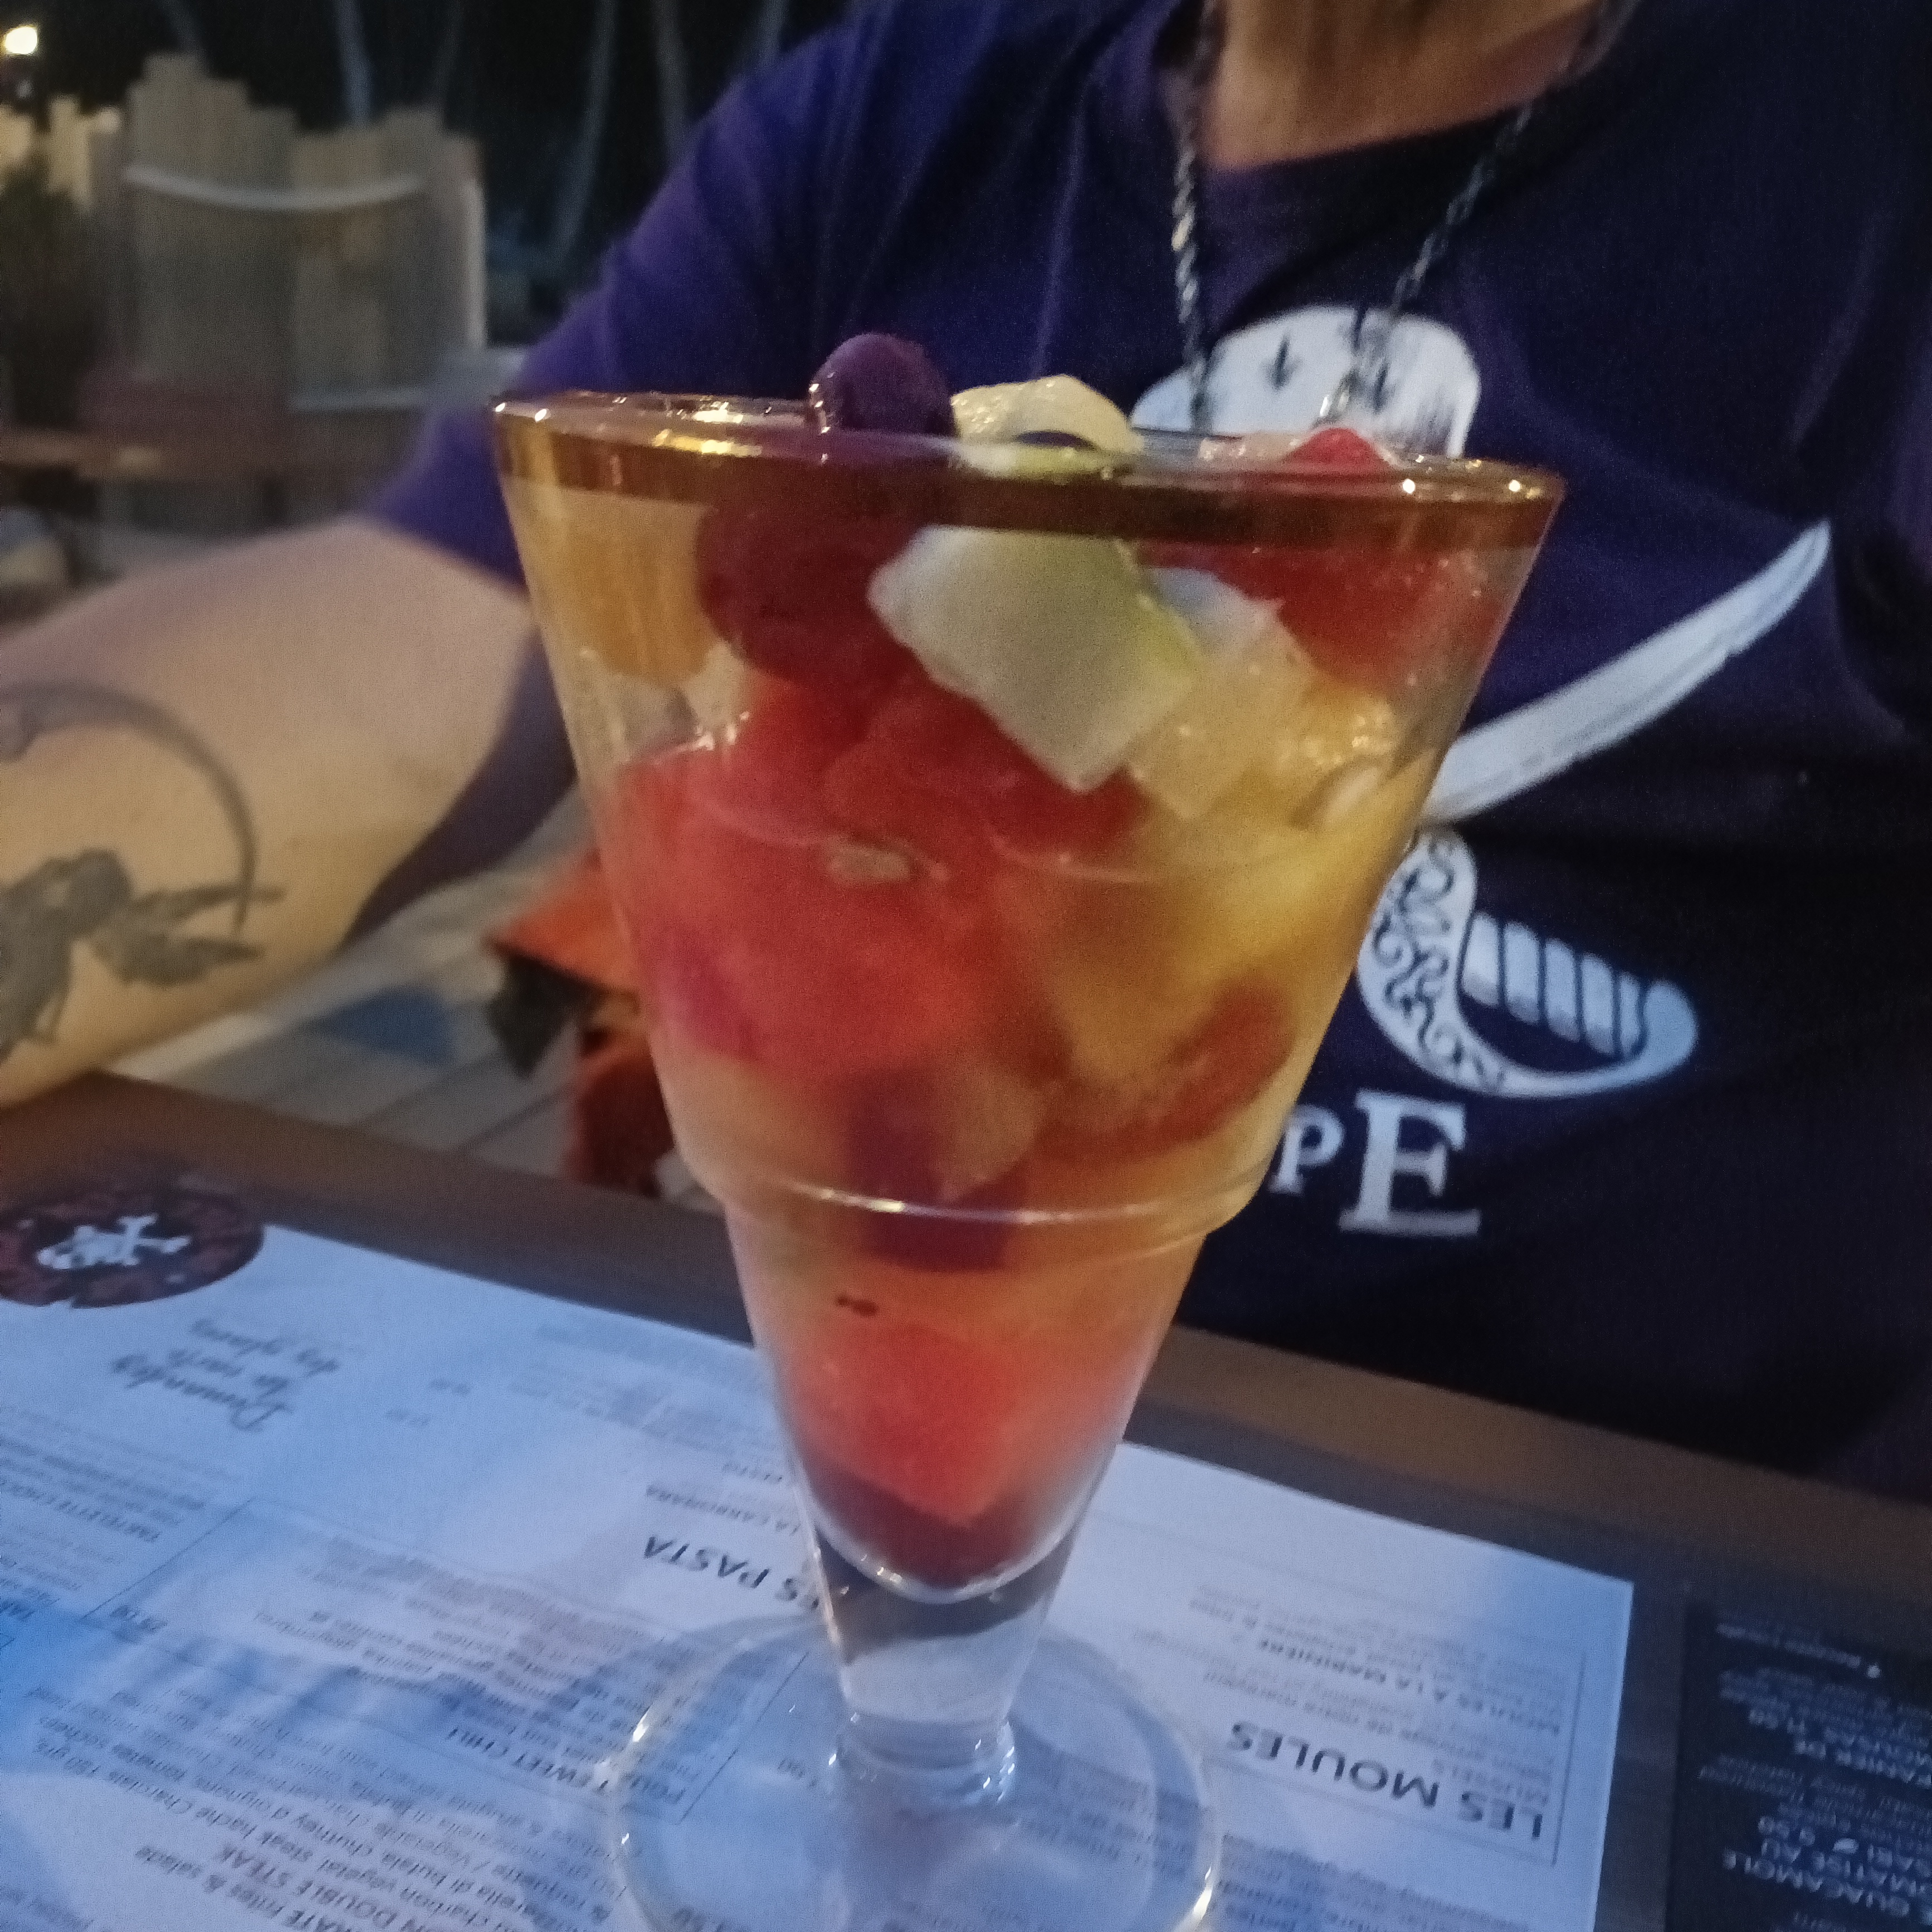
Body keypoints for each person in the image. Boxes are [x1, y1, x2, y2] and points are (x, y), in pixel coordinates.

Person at [4, 0, 1929, 1498]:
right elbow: (438, 614)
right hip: (841, 1375)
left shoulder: (1858, 154)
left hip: (1635, 1521)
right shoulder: (905, 109)